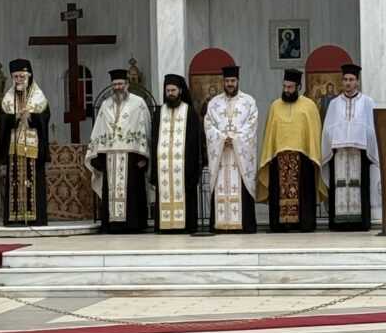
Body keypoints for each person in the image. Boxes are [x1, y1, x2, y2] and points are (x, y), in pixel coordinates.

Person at [257, 69, 327, 232]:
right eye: (285, 86)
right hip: (279, 159)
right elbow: (269, 134)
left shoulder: (309, 106)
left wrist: (313, 154)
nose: (287, 90)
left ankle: (305, 223)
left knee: (304, 192)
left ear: (298, 87)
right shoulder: (275, 106)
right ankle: (280, 225)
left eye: (290, 87)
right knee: (278, 192)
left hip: (303, 159)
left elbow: (314, 133)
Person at [87, 69, 151, 233]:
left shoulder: (138, 103)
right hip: (110, 157)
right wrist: (97, 156)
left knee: (133, 191)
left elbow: (145, 129)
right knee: (110, 191)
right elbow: (99, 129)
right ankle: (112, 224)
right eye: (115, 84)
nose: (118, 87)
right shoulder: (105, 104)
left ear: (127, 84)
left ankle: (133, 224)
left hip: (132, 157)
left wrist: (144, 156)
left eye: (120, 84)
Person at [322, 64, 380, 231]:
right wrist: (335, 139)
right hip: (338, 153)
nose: (348, 83)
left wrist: (360, 137)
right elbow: (327, 128)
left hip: (360, 153)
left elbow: (372, 128)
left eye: (351, 79)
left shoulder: (367, 102)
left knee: (360, 185)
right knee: (338, 185)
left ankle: (360, 222)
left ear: (357, 82)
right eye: (345, 79)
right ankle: (339, 223)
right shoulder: (334, 103)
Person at [203, 65, 259, 234]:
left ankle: (244, 224)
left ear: (238, 81)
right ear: (223, 81)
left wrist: (234, 138)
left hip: (240, 155)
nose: (230, 84)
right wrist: (221, 138)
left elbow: (252, 125)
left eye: (233, 81)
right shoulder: (214, 103)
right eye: (227, 81)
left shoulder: (249, 102)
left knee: (241, 185)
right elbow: (208, 124)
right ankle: (220, 225)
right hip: (220, 156)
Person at [0, 58, 50, 226]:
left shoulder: (39, 97)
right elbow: (1, 121)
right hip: (14, 148)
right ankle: (15, 218)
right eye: (16, 77)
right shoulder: (7, 98)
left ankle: (35, 218)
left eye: (22, 76)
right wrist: (15, 117)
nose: (19, 80)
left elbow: (45, 118)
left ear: (29, 76)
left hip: (33, 148)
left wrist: (32, 117)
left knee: (35, 183)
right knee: (14, 181)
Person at [149, 74, 202, 233]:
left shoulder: (189, 112)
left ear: (180, 91)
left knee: (186, 195)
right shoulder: (159, 113)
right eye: (168, 91)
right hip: (163, 168)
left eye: (173, 90)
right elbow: (154, 140)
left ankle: (186, 226)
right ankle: (165, 226)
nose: (170, 93)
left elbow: (195, 142)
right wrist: (154, 168)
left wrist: (194, 167)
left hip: (185, 168)